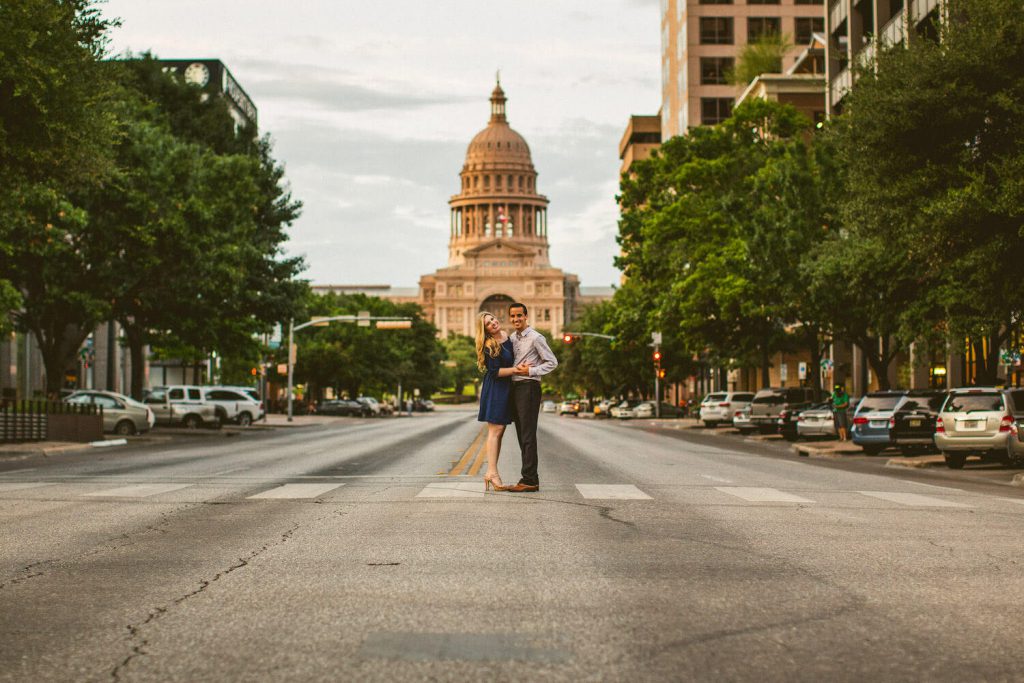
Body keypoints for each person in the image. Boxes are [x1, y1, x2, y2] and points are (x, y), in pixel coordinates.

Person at [506, 302, 558, 493]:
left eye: (519, 315)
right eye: (512, 316)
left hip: (529, 387)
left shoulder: (536, 338)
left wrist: (532, 371)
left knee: (527, 435)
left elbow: (552, 362)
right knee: (521, 434)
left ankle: (529, 479)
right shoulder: (512, 338)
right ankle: (529, 477)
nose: (516, 319)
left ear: (526, 316)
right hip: (515, 388)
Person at [475, 312, 530, 492]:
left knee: (500, 430)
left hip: (507, 389)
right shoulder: (489, 345)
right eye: (488, 323)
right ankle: (492, 473)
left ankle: (492, 473)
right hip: (496, 389)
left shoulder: (508, 336)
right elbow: (495, 372)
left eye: (492, 319)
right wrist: (516, 370)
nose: (493, 323)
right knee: (495, 430)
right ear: (485, 330)